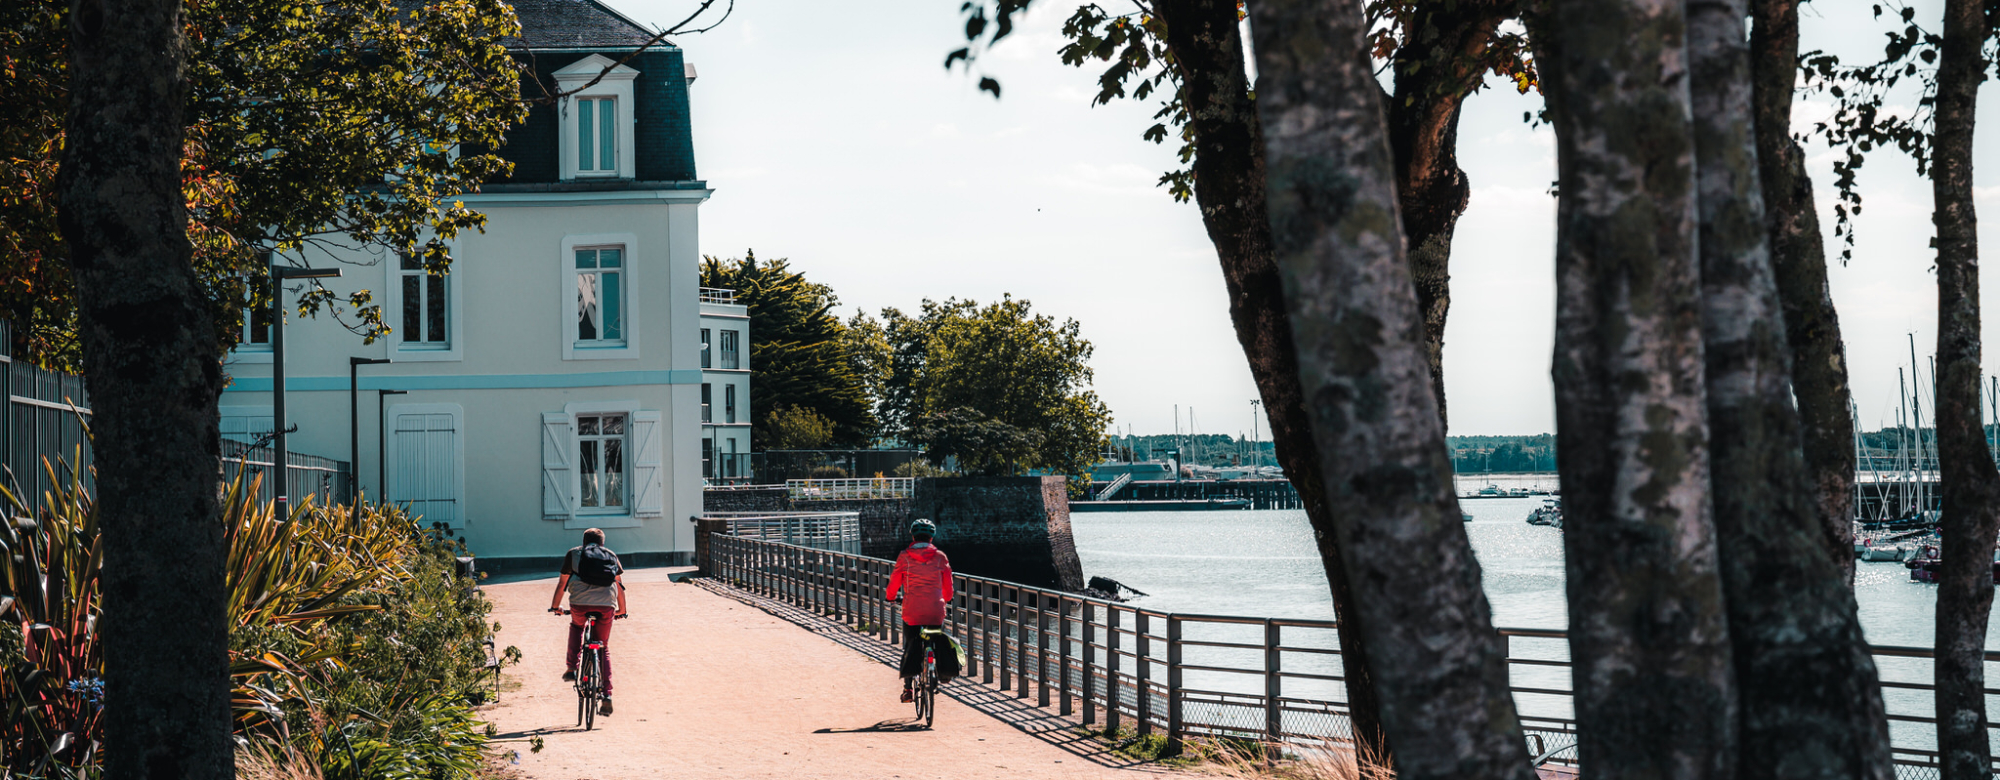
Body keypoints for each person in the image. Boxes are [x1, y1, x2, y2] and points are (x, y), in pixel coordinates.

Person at [548, 528, 627, 715]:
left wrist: (555, 607)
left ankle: (572, 668)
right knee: (603, 646)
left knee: (576, 626)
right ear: (602, 543)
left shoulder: (574, 554)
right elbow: (619, 585)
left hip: (579, 604)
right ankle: (607, 695)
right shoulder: (611, 555)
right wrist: (621, 610)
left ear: (584, 542)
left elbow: (562, 584)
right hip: (607, 605)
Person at [885, 518, 953, 703]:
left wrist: (891, 597)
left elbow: (894, 583)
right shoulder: (940, 557)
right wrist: (945, 599)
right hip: (935, 610)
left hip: (912, 610)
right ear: (931, 538)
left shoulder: (904, 557)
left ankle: (908, 689)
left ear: (913, 536)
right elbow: (948, 586)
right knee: (937, 638)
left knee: (910, 645)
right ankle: (942, 673)